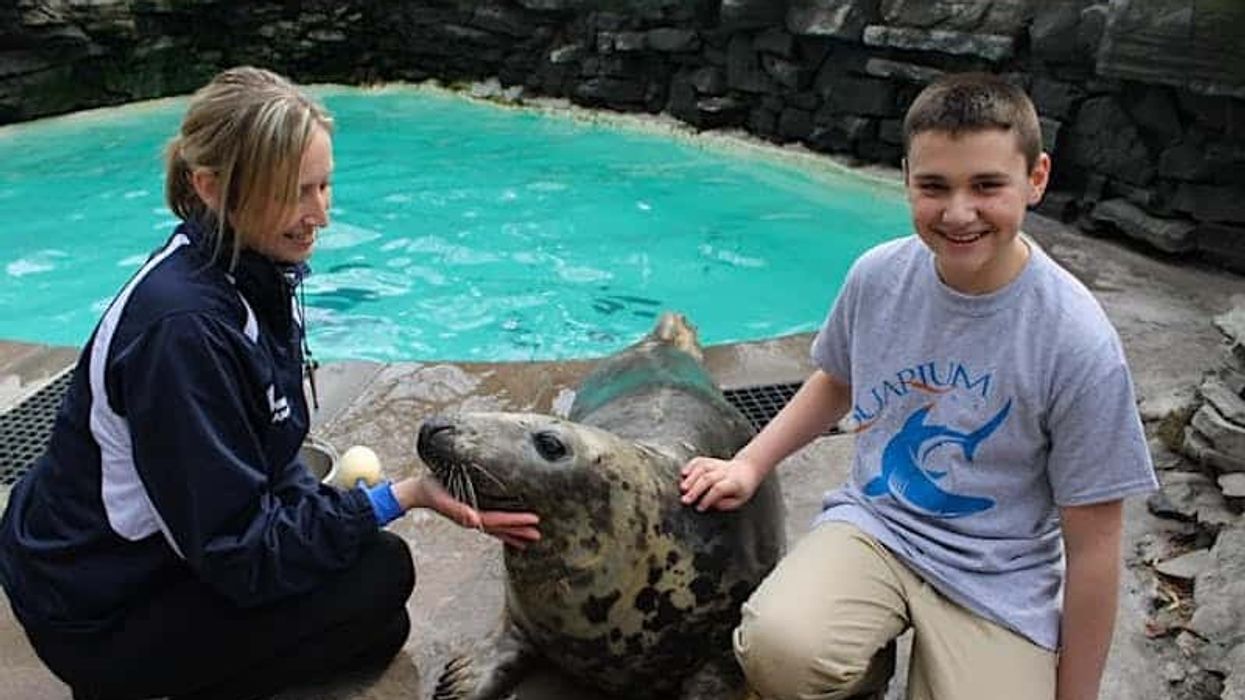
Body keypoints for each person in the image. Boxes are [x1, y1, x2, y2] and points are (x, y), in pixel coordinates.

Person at [0, 66, 540, 700]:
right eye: (293, 193)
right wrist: (401, 496)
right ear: (210, 188)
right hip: (98, 610)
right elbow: (241, 555)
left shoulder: (242, 269)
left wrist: (344, 511)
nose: (320, 216)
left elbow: (268, 466)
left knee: (369, 594)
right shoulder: (184, 332)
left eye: (324, 186)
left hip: (118, 566)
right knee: (378, 584)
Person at [680, 72, 1158, 700]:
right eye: (934, 186)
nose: (959, 213)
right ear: (906, 178)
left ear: (1036, 178)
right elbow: (835, 379)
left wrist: (1078, 696)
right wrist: (750, 463)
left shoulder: (1078, 342)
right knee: (779, 648)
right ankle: (860, 671)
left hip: (999, 569)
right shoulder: (878, 276)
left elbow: (1095, 545)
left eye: (987, 185)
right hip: (879, 524)